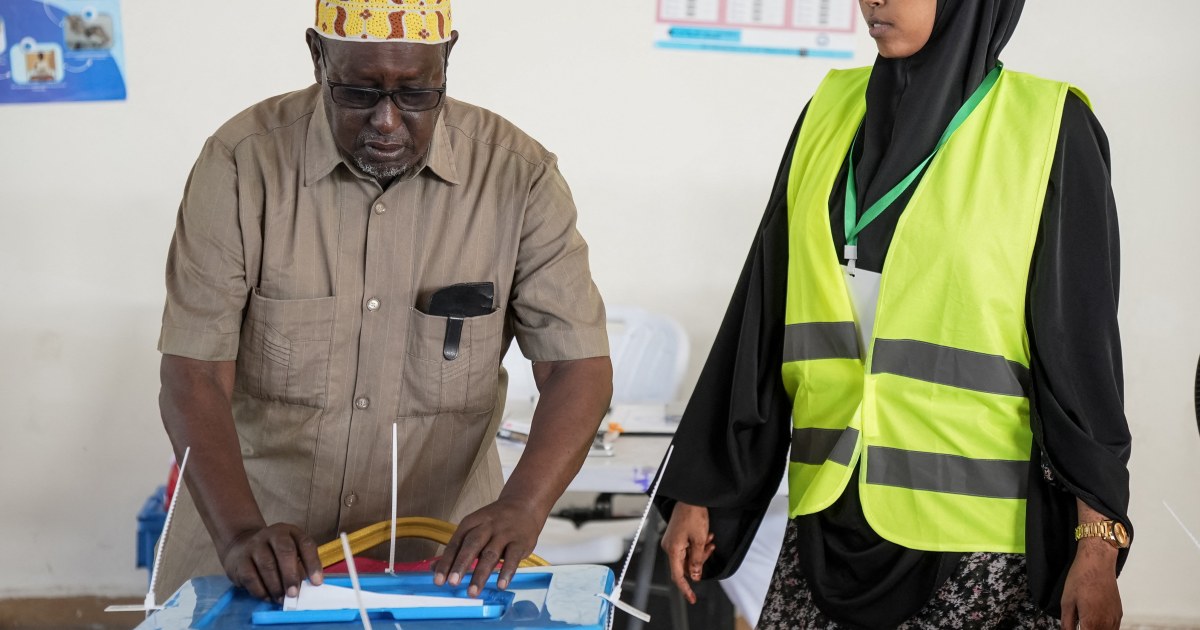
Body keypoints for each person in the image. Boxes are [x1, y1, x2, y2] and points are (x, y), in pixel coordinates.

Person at [656, 0, 1132, 628]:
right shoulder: (829, 111)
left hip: (980, 549)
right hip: (827, 520)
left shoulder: (1048, 127)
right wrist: (706, 486)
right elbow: (761, 311)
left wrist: (1096, 543)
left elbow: (1080, 357)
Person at [155, 0, 613, 602]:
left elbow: (576, 366)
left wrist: (522, 507)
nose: (388, 121)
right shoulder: (243, 164)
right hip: (254, 554)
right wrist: (241, 531)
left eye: (416, 94)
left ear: (447, 60)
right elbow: (193, 373)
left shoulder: (519, 179)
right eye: (359, 92)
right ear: (318, 56)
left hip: (440, 565)